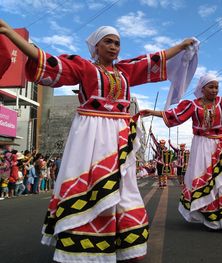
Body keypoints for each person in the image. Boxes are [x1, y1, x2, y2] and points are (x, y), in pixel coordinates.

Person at [0, 19, 196, 262]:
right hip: (90, 133)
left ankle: (126, 243)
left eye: (117, 43)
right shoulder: (84, 68)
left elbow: (155, 59)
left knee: (124, 187)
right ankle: (85, 246)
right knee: (91, 184)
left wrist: (180, 45)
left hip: (121, 134)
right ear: (96, 46)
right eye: (108, 42)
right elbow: (48, 61)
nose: (114, 47)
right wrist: (10, 33)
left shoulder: (125, 71)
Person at [141, 73, 222, 230]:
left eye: (216, 87)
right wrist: (152, 112)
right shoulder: (193, 106)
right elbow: (174, 115)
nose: (215, 90)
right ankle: (208, 212)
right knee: (204, 176)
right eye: (211, 87)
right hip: (201, 145)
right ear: (202, 89)